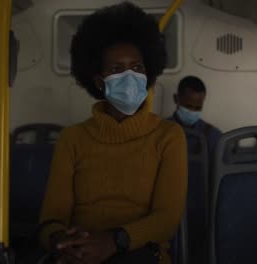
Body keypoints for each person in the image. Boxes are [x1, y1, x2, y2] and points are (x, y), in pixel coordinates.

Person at [38, 3, 187, 264]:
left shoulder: (168, 136)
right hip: (79, 251)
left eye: (138, 68)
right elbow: (52, 218)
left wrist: (113, 241)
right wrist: (62, 242)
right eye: (117, 69)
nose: (130, 76)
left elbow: (167, 219)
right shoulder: (72, 139)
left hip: (140, 252)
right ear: (99, 82)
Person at [168, 76, 222, 154]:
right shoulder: (161, 130)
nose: (192, 111)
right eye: (188, 106)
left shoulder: (212, 135)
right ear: (176, 99)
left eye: (197, 108)